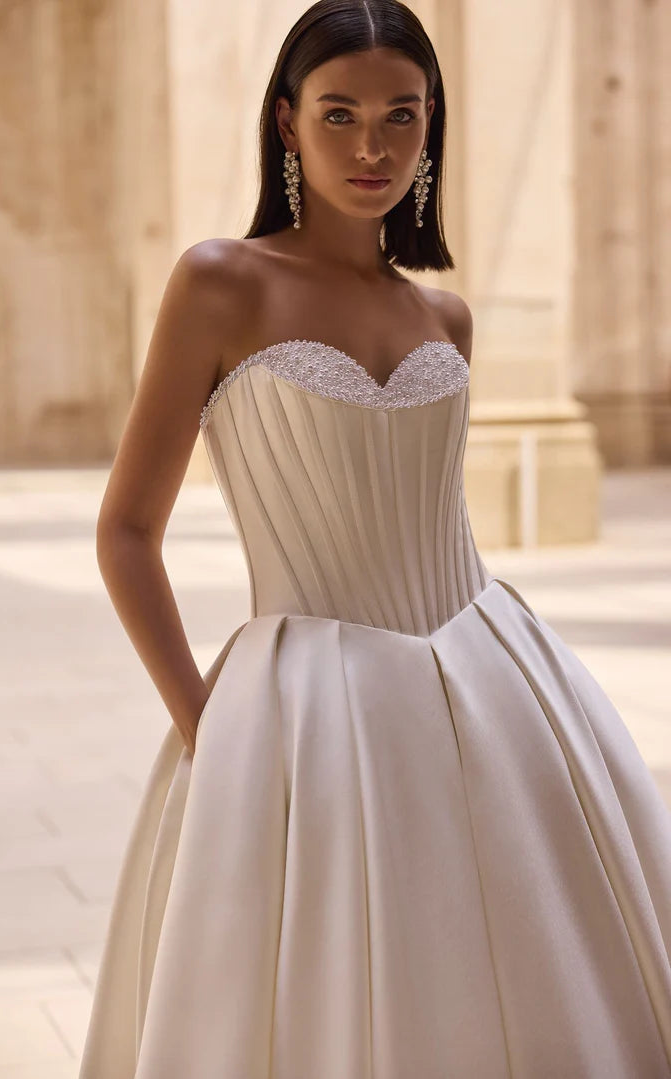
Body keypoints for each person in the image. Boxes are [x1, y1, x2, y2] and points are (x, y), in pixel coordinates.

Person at [78, 1, 671, 1075]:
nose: (372, 147)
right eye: (339, 113)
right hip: (311, 700)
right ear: (287, 121)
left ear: (431, 121)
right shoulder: (221, 281)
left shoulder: (446, 318)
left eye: (401, 115)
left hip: (498, 680)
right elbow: (125, 530)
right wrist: (206, 724)